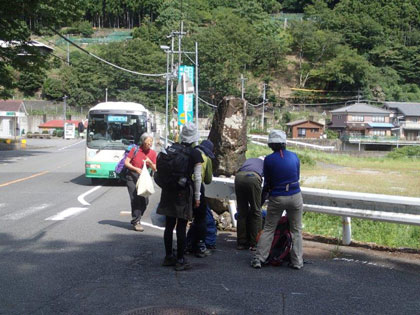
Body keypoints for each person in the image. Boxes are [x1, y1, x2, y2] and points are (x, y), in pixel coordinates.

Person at [251, 130, 304, 270]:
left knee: (269, 228)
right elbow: (297, 176)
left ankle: (259, 259)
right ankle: (297, 261)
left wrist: (263, 198)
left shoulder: (269, 159)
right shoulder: (294, 157)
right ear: (284, 143)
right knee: (296, 230)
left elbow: (268, 183)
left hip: (277, 197)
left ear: (271, 145)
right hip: (295, 195)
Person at [157, 122, 203, 271]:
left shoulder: (172, 148)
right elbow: (197, 177)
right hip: (182, 192)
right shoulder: (195, 153)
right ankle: (181, 259)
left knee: (169, 225)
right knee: (182, 226)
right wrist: (197, 197)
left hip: (168, 190)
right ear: (194, 137)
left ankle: (168, 256)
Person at [186, 139, 215, 257]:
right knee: (201, 218)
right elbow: (207, 180)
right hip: (197, 188)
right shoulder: (206, 159)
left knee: (185, 219)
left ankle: (187, 244)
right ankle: (200, 245)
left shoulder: (188, 153)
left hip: (184, 187)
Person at [124, 133, 157, 232]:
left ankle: (138, 216)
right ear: (143, 142)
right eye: (147, 143)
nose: (149, 144)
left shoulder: (153, 153)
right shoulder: (135, 150)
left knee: (145, 201)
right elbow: (126, 162)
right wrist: (135, 169)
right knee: (135, 199)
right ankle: (136, 221)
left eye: (151, 142)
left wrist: (150, 162)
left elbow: (155, 168)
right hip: (132, 176)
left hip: (144, 178)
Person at [234, 158, 264, 251]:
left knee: (242, 212)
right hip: (253, 178)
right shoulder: (265, 164)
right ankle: (255, 243)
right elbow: (267, 185)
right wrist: (260, 202)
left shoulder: (250, 160)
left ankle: (241, 243)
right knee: (256, 212)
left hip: (238, 177)